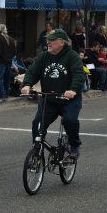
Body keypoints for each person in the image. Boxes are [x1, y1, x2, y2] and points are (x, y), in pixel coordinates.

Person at [21, 29, 85, 159]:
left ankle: (74, 145)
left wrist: (73, 90)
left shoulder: (72, 56)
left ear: (61, 42)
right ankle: (37, 150)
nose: (48, 42)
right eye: (47, 40)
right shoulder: (44, 56)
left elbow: (79, 74)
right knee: (37, 123)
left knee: (69, 120)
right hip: (49, 99)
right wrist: (27, 84)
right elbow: (32, 72)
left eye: (52, 40)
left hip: (68, 99)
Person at [0, 24, 16, 100]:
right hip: (8, 62)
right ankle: (6, 93)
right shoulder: (11, 39)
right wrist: (9, 59)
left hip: (1, 62)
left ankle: (3, 94)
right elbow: (14, 52)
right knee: (7, 78)